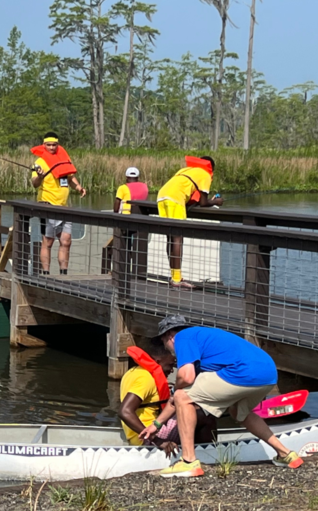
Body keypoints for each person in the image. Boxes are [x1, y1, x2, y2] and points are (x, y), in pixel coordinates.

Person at [154, 315, 304, 477]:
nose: (168, 348)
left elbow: (186, 379)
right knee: (239, 411)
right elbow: (181, 395)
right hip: (267, 373)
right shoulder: (204, 339)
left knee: (182, 396)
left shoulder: (182, 337)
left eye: (163, 343)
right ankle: (285, 454)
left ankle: (188, 461)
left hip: (242, 371)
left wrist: (176, 389)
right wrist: (157, 424)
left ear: (169, 336)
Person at [119, 343, 216, 454]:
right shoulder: (146, 379)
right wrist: (157, 440)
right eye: (170, 365)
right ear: (158, 361)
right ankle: (208, 455)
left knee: (193, 408)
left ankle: (191, 447)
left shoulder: (133, 372)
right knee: (205, 414)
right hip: (147, 437)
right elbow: (124, 411)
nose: (171, 370)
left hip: (136, 435)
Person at [156, 157, 224, 289]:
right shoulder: (205, 175)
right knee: (177, 238)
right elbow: (204, 203)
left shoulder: (187, 170)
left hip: (162, 196)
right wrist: (216, 202)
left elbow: (192, 195)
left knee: (170, 237)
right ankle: (177, 280)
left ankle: (174, 277)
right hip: (175, 199)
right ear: (211, 168)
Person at [31, 132, 86, 275]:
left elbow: (70, 177)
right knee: (48, 241)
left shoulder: (63, 159)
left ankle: (63, 273)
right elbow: (34, 184)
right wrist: (40, 177)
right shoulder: (40, 162)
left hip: (64, 206)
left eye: (54, 145)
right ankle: (46, 273)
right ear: (44, 145)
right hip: (47, 204)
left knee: (66, 241)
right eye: (48, 145)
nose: (51, 147)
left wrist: (79, 187)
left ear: (58, 145)